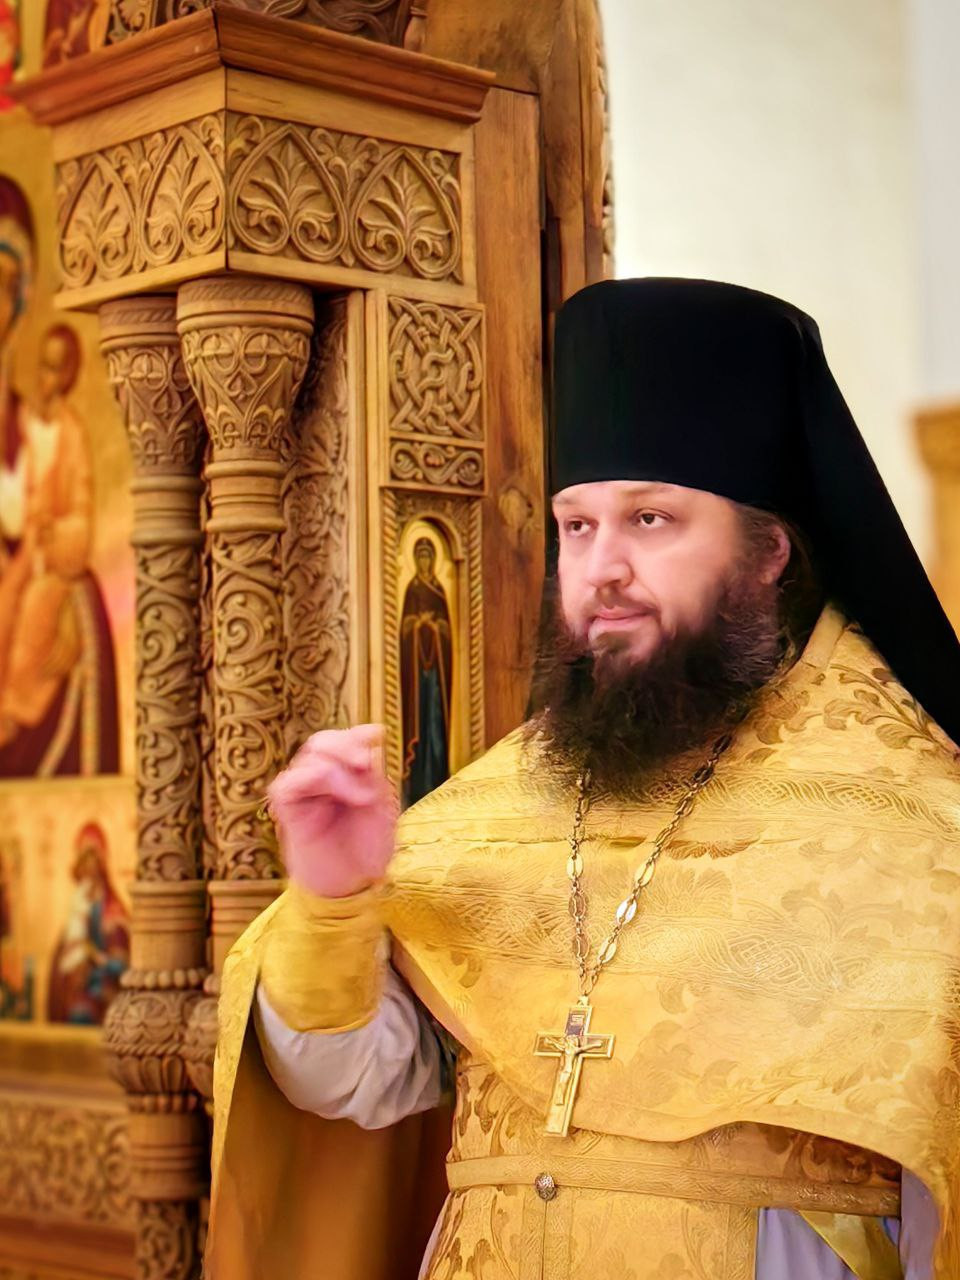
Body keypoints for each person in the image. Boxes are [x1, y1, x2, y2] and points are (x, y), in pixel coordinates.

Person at [206, 279, 960, 1280]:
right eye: (576, 525)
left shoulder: (913, 826)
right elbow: (350, 1086)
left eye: (650, 519)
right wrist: (333, 898)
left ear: (768, 553)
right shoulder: (491, 813)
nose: (602, 567)